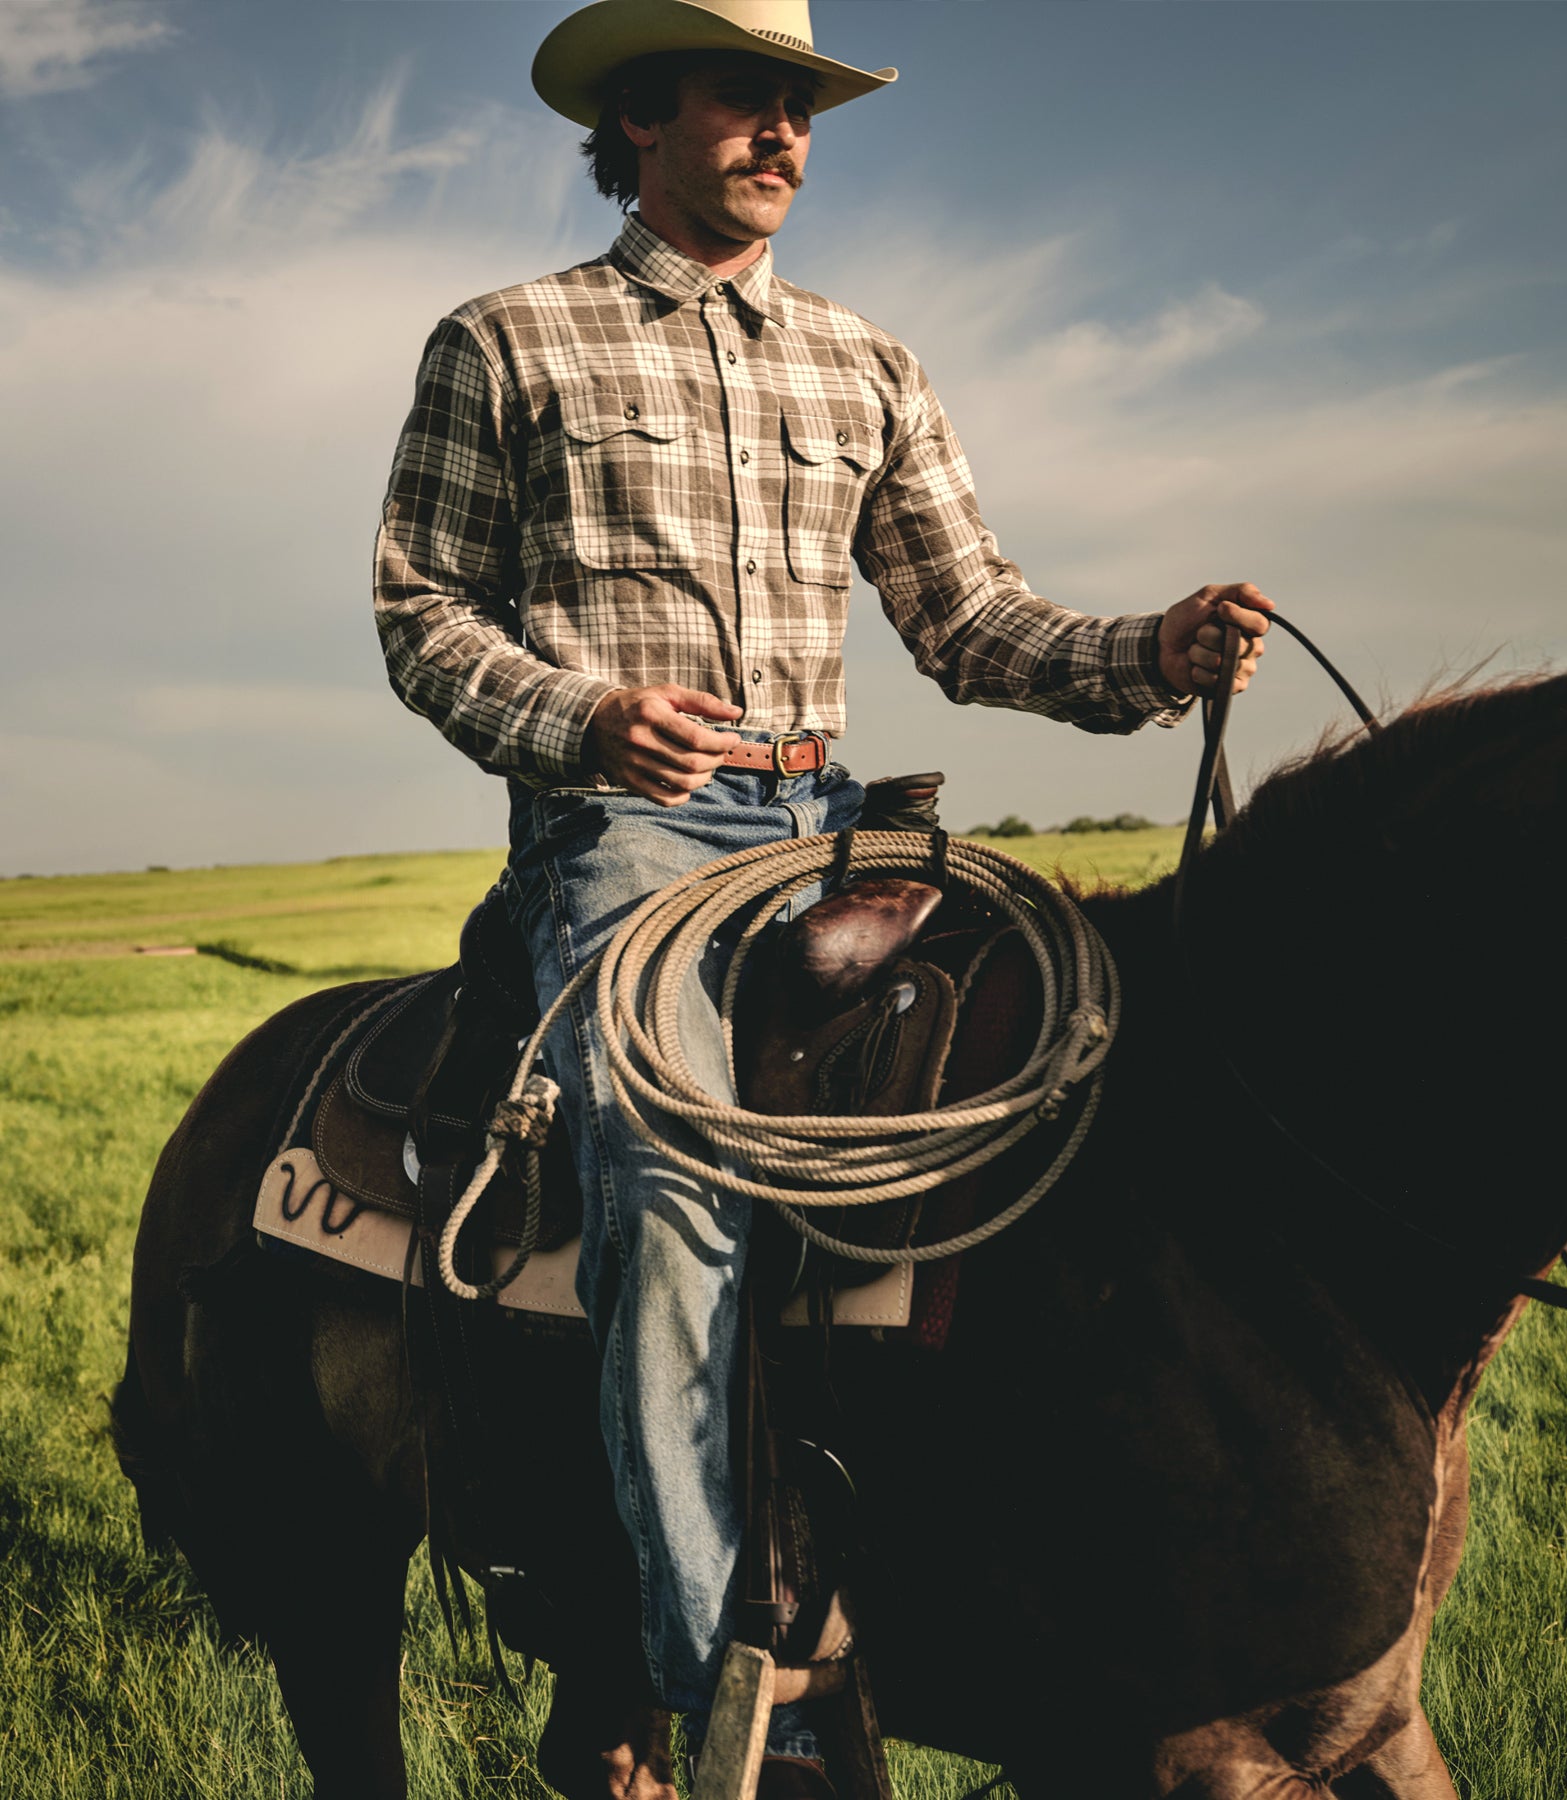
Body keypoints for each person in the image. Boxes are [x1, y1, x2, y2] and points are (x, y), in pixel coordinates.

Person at [373, 2, 1271, 1791]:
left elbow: (972, 618)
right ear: (641, 118)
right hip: (625, 833)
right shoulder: (506, 340)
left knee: (1082, 1079)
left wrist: (1147, 652)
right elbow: (423, 611)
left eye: (801, 106)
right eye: (745, 97)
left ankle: (1036, 1579)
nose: (784, 132)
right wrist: (583, 717)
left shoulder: (866, 363)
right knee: (668, 1173)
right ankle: (728, 1690)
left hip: (838, 825)